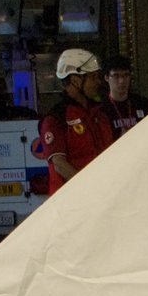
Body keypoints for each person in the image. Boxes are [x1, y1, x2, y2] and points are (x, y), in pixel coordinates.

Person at [40, 48, 113, 194]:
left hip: (103, 196)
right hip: (72, 202)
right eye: (93, 77)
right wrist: (89, 189)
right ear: (75, 80)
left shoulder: (101, 112)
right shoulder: (56, 118)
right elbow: (59, 164)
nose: (98, 82)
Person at [97, 55, 148, 140]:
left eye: (126, 75)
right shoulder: (101, 109)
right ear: (106, 77)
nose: (122, 81)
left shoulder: (144, 104)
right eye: (116, 76)